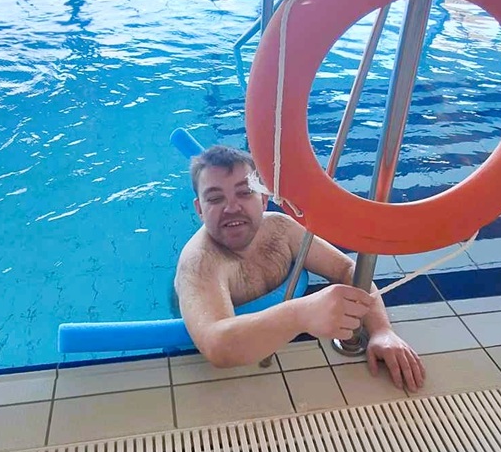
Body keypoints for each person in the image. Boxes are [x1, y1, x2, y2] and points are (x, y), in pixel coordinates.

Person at [174, 145, 426, 390]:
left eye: (244, 192)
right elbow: (217, 345)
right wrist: (301, 314)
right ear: (199, 210)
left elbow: (346, 270)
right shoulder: (199, 262)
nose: (232, 208)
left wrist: (381, 330)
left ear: (263, 199)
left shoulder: (281, 229)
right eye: (215, 198)